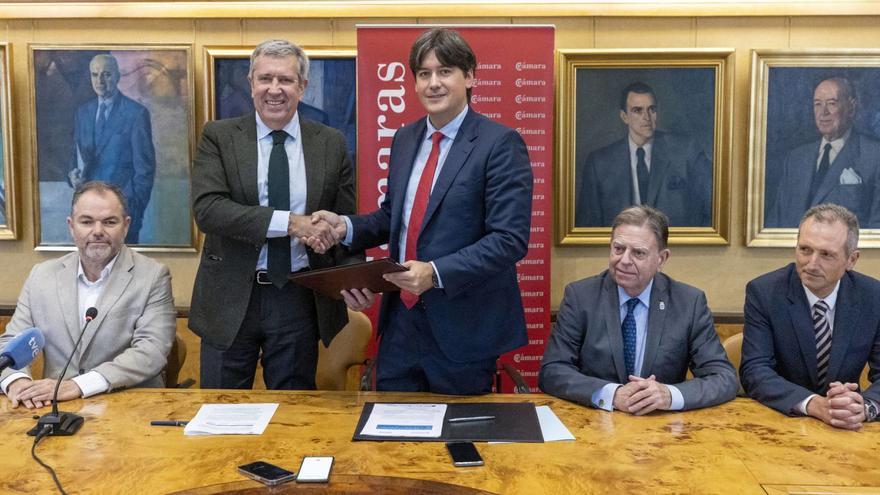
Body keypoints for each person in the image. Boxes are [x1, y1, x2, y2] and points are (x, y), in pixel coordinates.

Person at [309, 28, 533, 395]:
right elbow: (393, 218)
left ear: (470, 76)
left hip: (463, 329)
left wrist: (436, 272)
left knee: (459, 441)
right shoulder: (405, 138)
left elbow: (509, 239)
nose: (433, 83)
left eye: (445, 71)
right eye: (424, 74)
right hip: (400, 325)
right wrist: (344, 227)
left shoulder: (500, 143)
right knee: (393, 439)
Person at [189, 39, 357, 391]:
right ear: (251, 83)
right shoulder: (219, 137)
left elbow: (345, 220)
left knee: (293, 413)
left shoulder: (331, 142)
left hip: (297, 297)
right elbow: (209, 210)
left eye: (285, 80)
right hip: (230, 298)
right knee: (221, 413)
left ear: (303, 86)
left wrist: (349, 271)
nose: (274, 90)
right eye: (265, 79)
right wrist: (292, 223)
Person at [540, 205, 737, 414]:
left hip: (661, 429)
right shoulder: (581, 297)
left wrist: (669, 395)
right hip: (595, 423)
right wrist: (612, 395)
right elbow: (553, 371)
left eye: (638, 253)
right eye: (618, 249)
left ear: (661, 259)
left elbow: (723, 378)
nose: (624, 260)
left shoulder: (689, 303)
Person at [0, 181, 175, 409]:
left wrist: (79, 385)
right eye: (87, 222)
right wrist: (18, 382)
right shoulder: (41, 276)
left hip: (129, 407)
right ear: (72, 227)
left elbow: (151, 351)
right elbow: (12, 342)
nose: (98, 231)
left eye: (109, 222)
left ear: (126, 226)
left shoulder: (153, 276)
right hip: (54, 410)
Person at [741, 203, 880, 430]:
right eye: (805, 250)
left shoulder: (873, 297)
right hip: (779, 424)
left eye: (826, 255)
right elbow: (755, 371)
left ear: (851, 260)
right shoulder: (764, 292)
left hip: (845, 428)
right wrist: (815, 405)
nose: (812, 264)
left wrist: (863, 407)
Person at [575, 82, 712, 227]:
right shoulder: (599, 163)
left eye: (651, 109)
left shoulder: (686, 152)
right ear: (624, 116)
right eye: (637, 110)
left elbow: (712, 210)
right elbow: (587, 226)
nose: (647, 117)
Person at [766, 77, 880, 228]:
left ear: (851, 108)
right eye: (817, 104)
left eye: (832, 103)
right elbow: (775, 222)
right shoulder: (795, 159)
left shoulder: (874, 155)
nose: (823, 112)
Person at [70, 54, 156, 244]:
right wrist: (72, 175)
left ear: (117, 76)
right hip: (87, 215)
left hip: (122, 215)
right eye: (94, 74)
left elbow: (145, 169)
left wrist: (134, 209)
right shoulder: (83, 112)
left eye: (106, 74)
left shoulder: (136, 114)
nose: (99, 80)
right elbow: (76, 155)